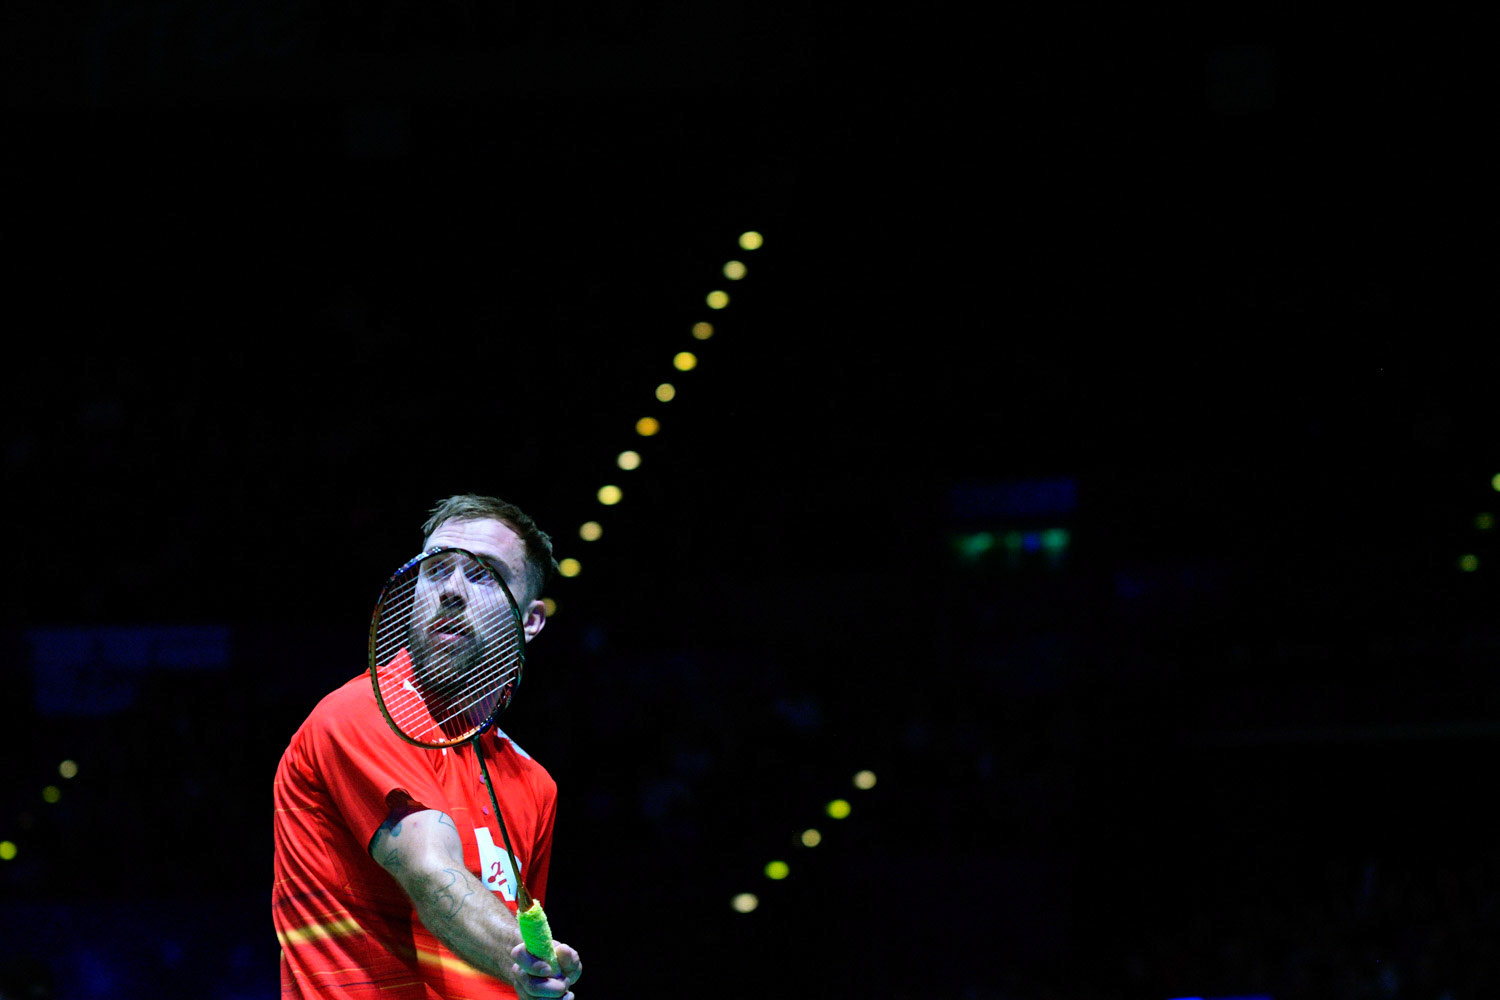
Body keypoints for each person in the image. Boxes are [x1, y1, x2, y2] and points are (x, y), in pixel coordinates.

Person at [273, 495, 584, 999]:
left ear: (531, 621)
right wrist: (523, 960)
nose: (452, 591)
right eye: (436, 570)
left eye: (484, 575)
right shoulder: (358, 714)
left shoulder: (534, 783)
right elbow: (430, 872)